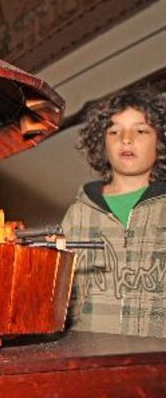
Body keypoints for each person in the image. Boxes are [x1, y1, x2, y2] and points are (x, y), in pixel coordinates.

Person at [62, 88, 166, 337]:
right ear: (102, 143)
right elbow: (60, 295)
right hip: (92, 355)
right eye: (114, 131)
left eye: (141, 131)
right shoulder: (78, 214)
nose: (126, 139)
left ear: (160, 141)